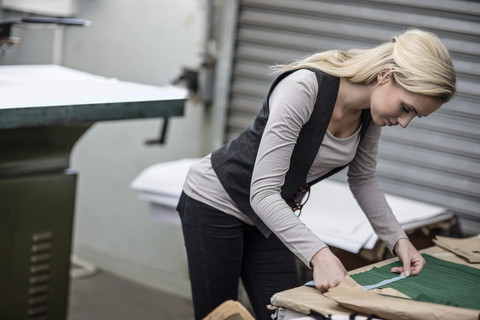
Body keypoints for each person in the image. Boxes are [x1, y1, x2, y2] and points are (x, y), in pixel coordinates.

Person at [176, 28, 456, 319]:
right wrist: (320, 254)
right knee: (222, 314)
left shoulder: (371, 114)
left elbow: (362, 179)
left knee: (284, 312)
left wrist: (399, 240)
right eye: (406, 108)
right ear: (386, 75)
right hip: (215, 201)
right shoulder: (305, 87)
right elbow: (263, 193)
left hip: (268, 216)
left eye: (415, 116)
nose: (405, 122)